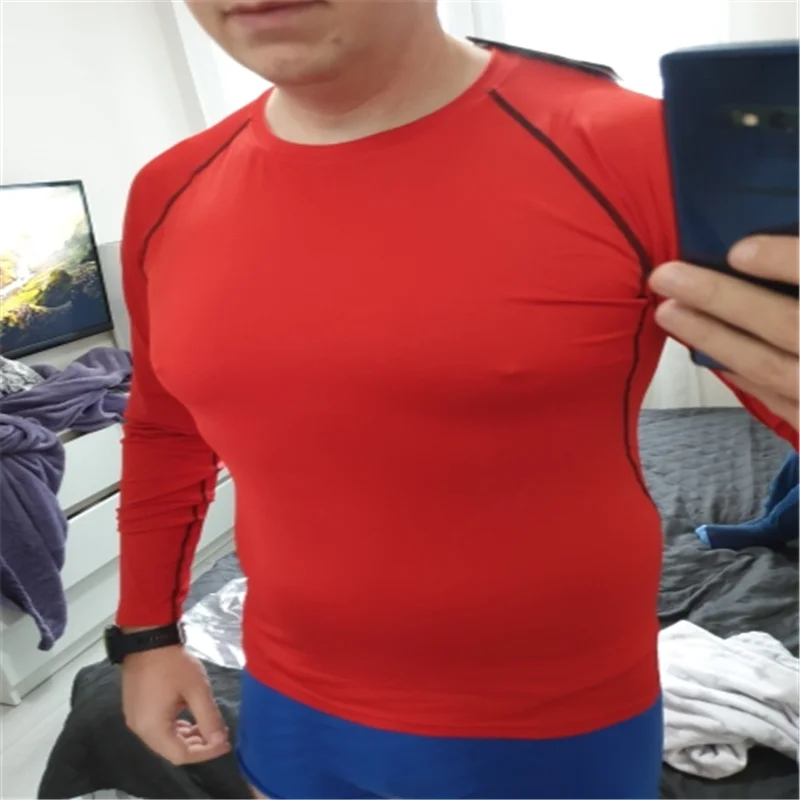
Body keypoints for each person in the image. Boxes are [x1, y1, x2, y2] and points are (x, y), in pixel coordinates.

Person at [110, 1, 799, 798]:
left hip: (554, 720)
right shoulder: (169, 187)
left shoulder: (631, 147)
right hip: (289, 701)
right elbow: (165, 430)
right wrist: (147, 635)